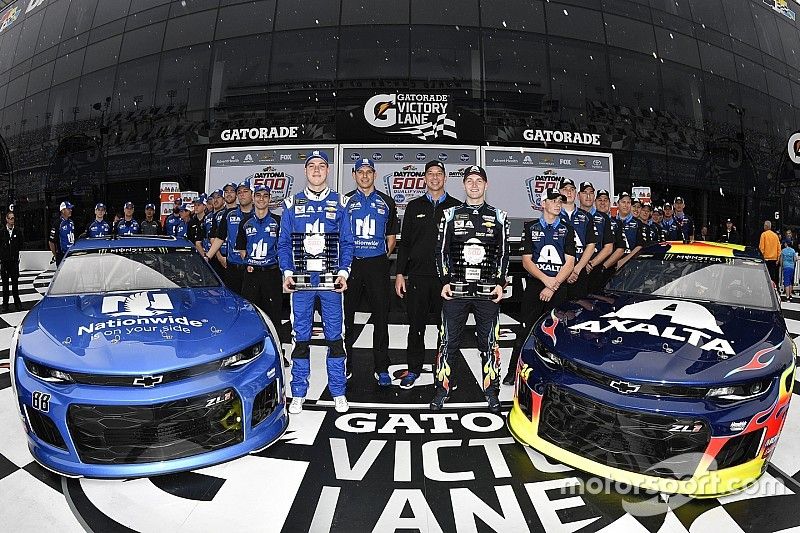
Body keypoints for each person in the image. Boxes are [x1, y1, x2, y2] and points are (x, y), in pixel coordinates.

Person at [279, 150, 353, 414]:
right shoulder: (291, 204)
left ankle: (338, 392)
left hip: (331, 282)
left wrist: (344, 273)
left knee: (335, 337)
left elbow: (347, 242)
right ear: (305, 171)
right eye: (312, 166)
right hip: (301, 283)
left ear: (328, 171)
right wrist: (287, 273)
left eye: (322, 165)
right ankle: (298, 391)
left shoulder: (341, 203)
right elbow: (284, 244)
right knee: (301, 338)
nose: (317, 170)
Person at [432, 165, 509, 412]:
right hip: (456, 290)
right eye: (469, 181)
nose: (474, 185)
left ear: (486, 185)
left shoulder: (499, 216)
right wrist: (444, 281)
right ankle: (442, 389)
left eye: (479, 180)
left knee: (489, 343)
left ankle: (491, 391)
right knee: (447, 341)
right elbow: (441, 251)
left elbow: (504, 253)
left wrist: (500, 284)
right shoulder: (450, 215)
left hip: (487, 292)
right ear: (463, 185)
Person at [394, 160, 460, 389]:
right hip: (418, 278)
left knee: (447, 328)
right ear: (424, 178)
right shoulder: (413, 207)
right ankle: (413, 370)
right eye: (430, 174)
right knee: (416, 327)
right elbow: (405, 244)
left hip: (446, 280)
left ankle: (444, 371)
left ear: (445, 178)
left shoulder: (456, 207)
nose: (434, 178)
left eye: (439, 174)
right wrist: (400, 273)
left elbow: (459, 246)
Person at [502, 189, 576, 385]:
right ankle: (513, 371)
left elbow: (570, 263)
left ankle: (558, 376)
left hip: (558, 287)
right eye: (553, 200)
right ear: (543, 204)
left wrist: (553, 286)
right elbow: (526, 262)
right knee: (525, 330)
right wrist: (546, 282)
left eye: (560, 200)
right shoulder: (530, 228)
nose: (558, 203)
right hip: (536, 287)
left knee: (558, 334)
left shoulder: (568, 229)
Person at [343, 158, 400, 385]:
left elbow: (391, 238)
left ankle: (382, 367)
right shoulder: (344, 201)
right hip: (351, 265)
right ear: (354, 174)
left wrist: (377, 256)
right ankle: (345, 365)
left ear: (375, 175)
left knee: (380, 318)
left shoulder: (387, 201)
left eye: (368, 172)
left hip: (377, 264)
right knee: (346, 318)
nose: (364, 176)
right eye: (360, 172)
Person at [236, 184, 283, 338]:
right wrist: (250, 263)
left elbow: (284, 247)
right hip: (252, 275)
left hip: (271, 273)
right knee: (250, 314)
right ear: (254, 198)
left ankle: (278, 351)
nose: (261, 199)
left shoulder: (278, 221)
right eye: (258, 195)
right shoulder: (245, 223)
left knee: (274, 315)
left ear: (269, 199)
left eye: (265, 196)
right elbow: (241, 248)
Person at [206, 181, 254, 295]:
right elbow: (219, 238)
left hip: (252, 268)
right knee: (232, 302)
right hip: (233, 267)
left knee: (251, 303)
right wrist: (208, 256)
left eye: (245, 191)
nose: (242, 194)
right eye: (239, 192)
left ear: (252, 194)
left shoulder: (258, 215)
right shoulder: (229, 214)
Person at [559, 179, 596, 300]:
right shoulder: (554, 215)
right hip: (558, 272)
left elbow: (591, 245)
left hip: (579, 271)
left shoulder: (586, 216)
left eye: (572, 190)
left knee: (578, 310)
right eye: (565, 189)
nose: (569, 192)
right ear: (559, 192)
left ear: (576, 194)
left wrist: (577, 269)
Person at [583, 187, 614, 294]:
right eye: (600, 200)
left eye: (591, 193)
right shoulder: (574, 216)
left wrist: (591, 264)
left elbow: (609, 247)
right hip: (575, 268)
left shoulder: (604, 218)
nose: (588, 196)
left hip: (595, 267)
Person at [595, 189, 626, 289]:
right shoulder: (589, 219)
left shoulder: (617, 223)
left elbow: (621, 249)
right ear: (595, 202)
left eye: (605, 200)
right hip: (590, 268)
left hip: (608, 270)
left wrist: (604, 266)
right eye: (600, 200)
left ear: (609, 203)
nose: (603, 203)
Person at [615, 191, 649, 270]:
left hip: (631, 264)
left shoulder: (638, 223)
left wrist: (625, 260)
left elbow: (640, 245)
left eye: (628, 202)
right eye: (623, 202)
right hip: (612, 264)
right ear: (617, 204)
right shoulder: (611, 221)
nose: (626, 205)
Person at [0, 211, 24, 312]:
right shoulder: (1, 232)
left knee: (15, 284)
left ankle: (17, 303)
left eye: (13, 218)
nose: (12, 220)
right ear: (6, 219)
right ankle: (5, 304)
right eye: (10, 218)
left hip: (14, 262)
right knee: (5, 285)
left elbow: (21, 244)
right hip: (5, 262)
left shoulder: (18, 231)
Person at [48, 201, 75, 266]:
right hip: (62, 255)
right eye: (68, 209)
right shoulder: (57, 223)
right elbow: (51, 242)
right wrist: (56, 255)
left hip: (72, 253)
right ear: (63, 210)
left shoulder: (71, 222)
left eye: (71, 209)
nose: (70, 210)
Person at [760, 220, 781, 286]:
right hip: (774, 260)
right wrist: (778, 259)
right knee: (772, 276)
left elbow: (761, 248)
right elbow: (779, 248)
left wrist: (762, 256)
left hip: (766, 259)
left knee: (765, 276)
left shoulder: (764, 234)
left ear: (766, 226)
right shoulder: (775, 236)